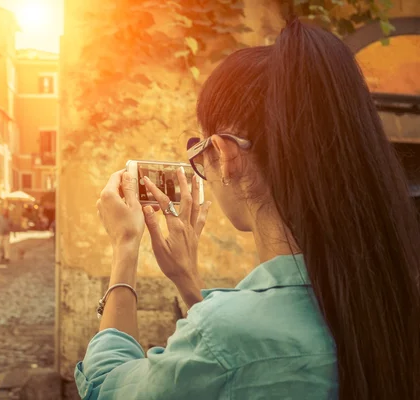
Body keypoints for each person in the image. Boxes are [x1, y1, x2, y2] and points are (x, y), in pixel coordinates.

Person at [75, 19, 420, 400]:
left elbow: (105, 385)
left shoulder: (225, 338)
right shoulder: (392, 293)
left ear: (224, 155)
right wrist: (189, 282)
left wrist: (125, 248)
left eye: (198, 150)